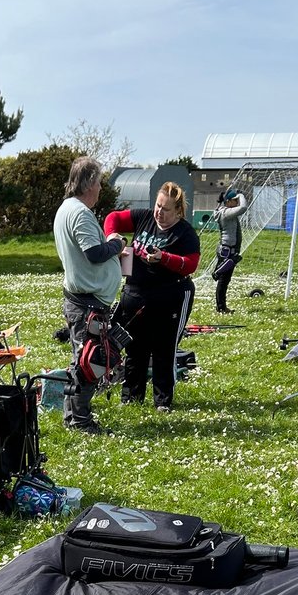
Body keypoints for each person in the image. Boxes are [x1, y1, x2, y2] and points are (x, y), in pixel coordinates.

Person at [103, 182, 199, 412]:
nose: (159, 213)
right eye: (158, 206)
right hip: (137, 293)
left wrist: (164, 258)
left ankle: (162, 401)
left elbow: (190, 265)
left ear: (178, 211)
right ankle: (131, 398)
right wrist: (113, 236)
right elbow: (112, 218)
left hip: (171, 295)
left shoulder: (185, 233)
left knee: (164, 349)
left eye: (166, 210)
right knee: (135, 348)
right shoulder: (144, 217)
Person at [53, 155, 126, 434]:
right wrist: (116, 244)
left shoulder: (65, 208)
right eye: (98, 183)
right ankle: (80, 422)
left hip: (82, 298)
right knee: (90, 361)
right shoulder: (80, 213)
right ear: (89, 184)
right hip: (87, 302)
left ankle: (74, 417)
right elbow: (94, 254)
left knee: (82, 358)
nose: (100, 190)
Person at [211, 185, 247, 314]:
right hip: (227, 250)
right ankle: (221, 307)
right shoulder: (226, 213)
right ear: (228, 202)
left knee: (225, 280)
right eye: (235, 200)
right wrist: (240, 194)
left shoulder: (225, 211)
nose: (237, 202)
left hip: (228, 249)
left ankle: (222, 306)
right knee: (223, 281)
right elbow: (243, 207)